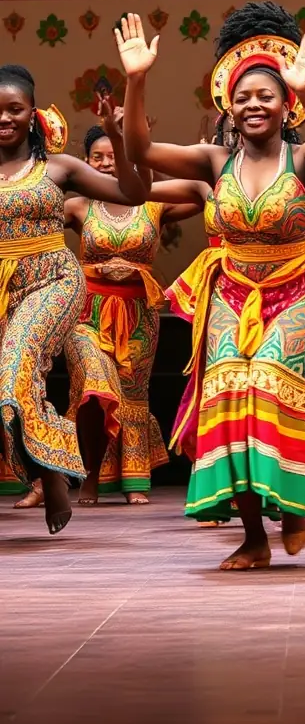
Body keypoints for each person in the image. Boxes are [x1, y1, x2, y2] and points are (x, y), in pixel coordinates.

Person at [116, 6, 305, 570]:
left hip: (302, 287)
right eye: (243, 96)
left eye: (267, 96)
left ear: (285, 104)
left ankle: (292, 501)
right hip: (231, 288)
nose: (253, 104)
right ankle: (253, 535)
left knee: (268, 377)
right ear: (229, 103)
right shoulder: (213, 160)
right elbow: (139, 153)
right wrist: (136, 79)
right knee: (225, 387)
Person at [0, 64, 148, 534]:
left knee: (16, 367)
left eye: (14, 109)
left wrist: (114, 137)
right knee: (6, 393)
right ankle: (49, 469)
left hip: (52, 281)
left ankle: (54, 473)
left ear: (33, 115)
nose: (4, 118)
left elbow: (134, 190)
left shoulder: (57, 168)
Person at [63, 123, 201, 505]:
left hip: (139, 315)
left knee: (131, 394)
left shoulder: (154, 204)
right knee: (93, 388)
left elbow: (208, 197)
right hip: (85, 312)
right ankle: (89, 475)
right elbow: (29, 219)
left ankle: (133, 478)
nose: (108, 165)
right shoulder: (77, 207)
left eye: (117, 156)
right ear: (85, 162)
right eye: (99, 158)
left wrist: (203, 162)